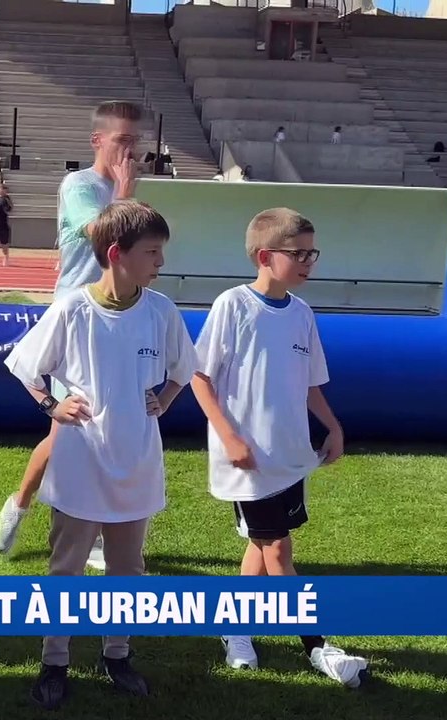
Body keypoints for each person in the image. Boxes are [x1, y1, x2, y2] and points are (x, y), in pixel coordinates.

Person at [4, 200, 197, 710]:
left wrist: (167, 398)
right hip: (80, 463)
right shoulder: (73, 308)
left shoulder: (161, 310)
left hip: (136, 461)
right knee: (65, 567)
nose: (160, 262)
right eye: (152, 252)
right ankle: (55, 660)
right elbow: (25, 365)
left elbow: (185, 367)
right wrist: (51, 402)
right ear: (117, 254)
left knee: (127, 570)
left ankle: (117, 653)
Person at [189, 207, 368, 687]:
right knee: (278, 552)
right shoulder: (232, 305)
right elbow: (199, 377)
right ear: (265, 256)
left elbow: (311, 384)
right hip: (249, 460)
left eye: (313, 252)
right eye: (299, 253)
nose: (309, 261)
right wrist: (230, 437)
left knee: (261, 545)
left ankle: (234, 629)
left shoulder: (303, 313)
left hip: (290, 457)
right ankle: (320, 647)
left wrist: (333, 428)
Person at [0, 100, 144, 571]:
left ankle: (58, 517)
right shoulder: (82, 186)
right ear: (98, 141)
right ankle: (20, 507)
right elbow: (103, 236)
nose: (130, 151)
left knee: (96, 428)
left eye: (136, 142)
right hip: (75, 319)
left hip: (117, 319)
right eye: (122, 140)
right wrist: (123, 194)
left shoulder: (124, 190)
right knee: (68, 430)